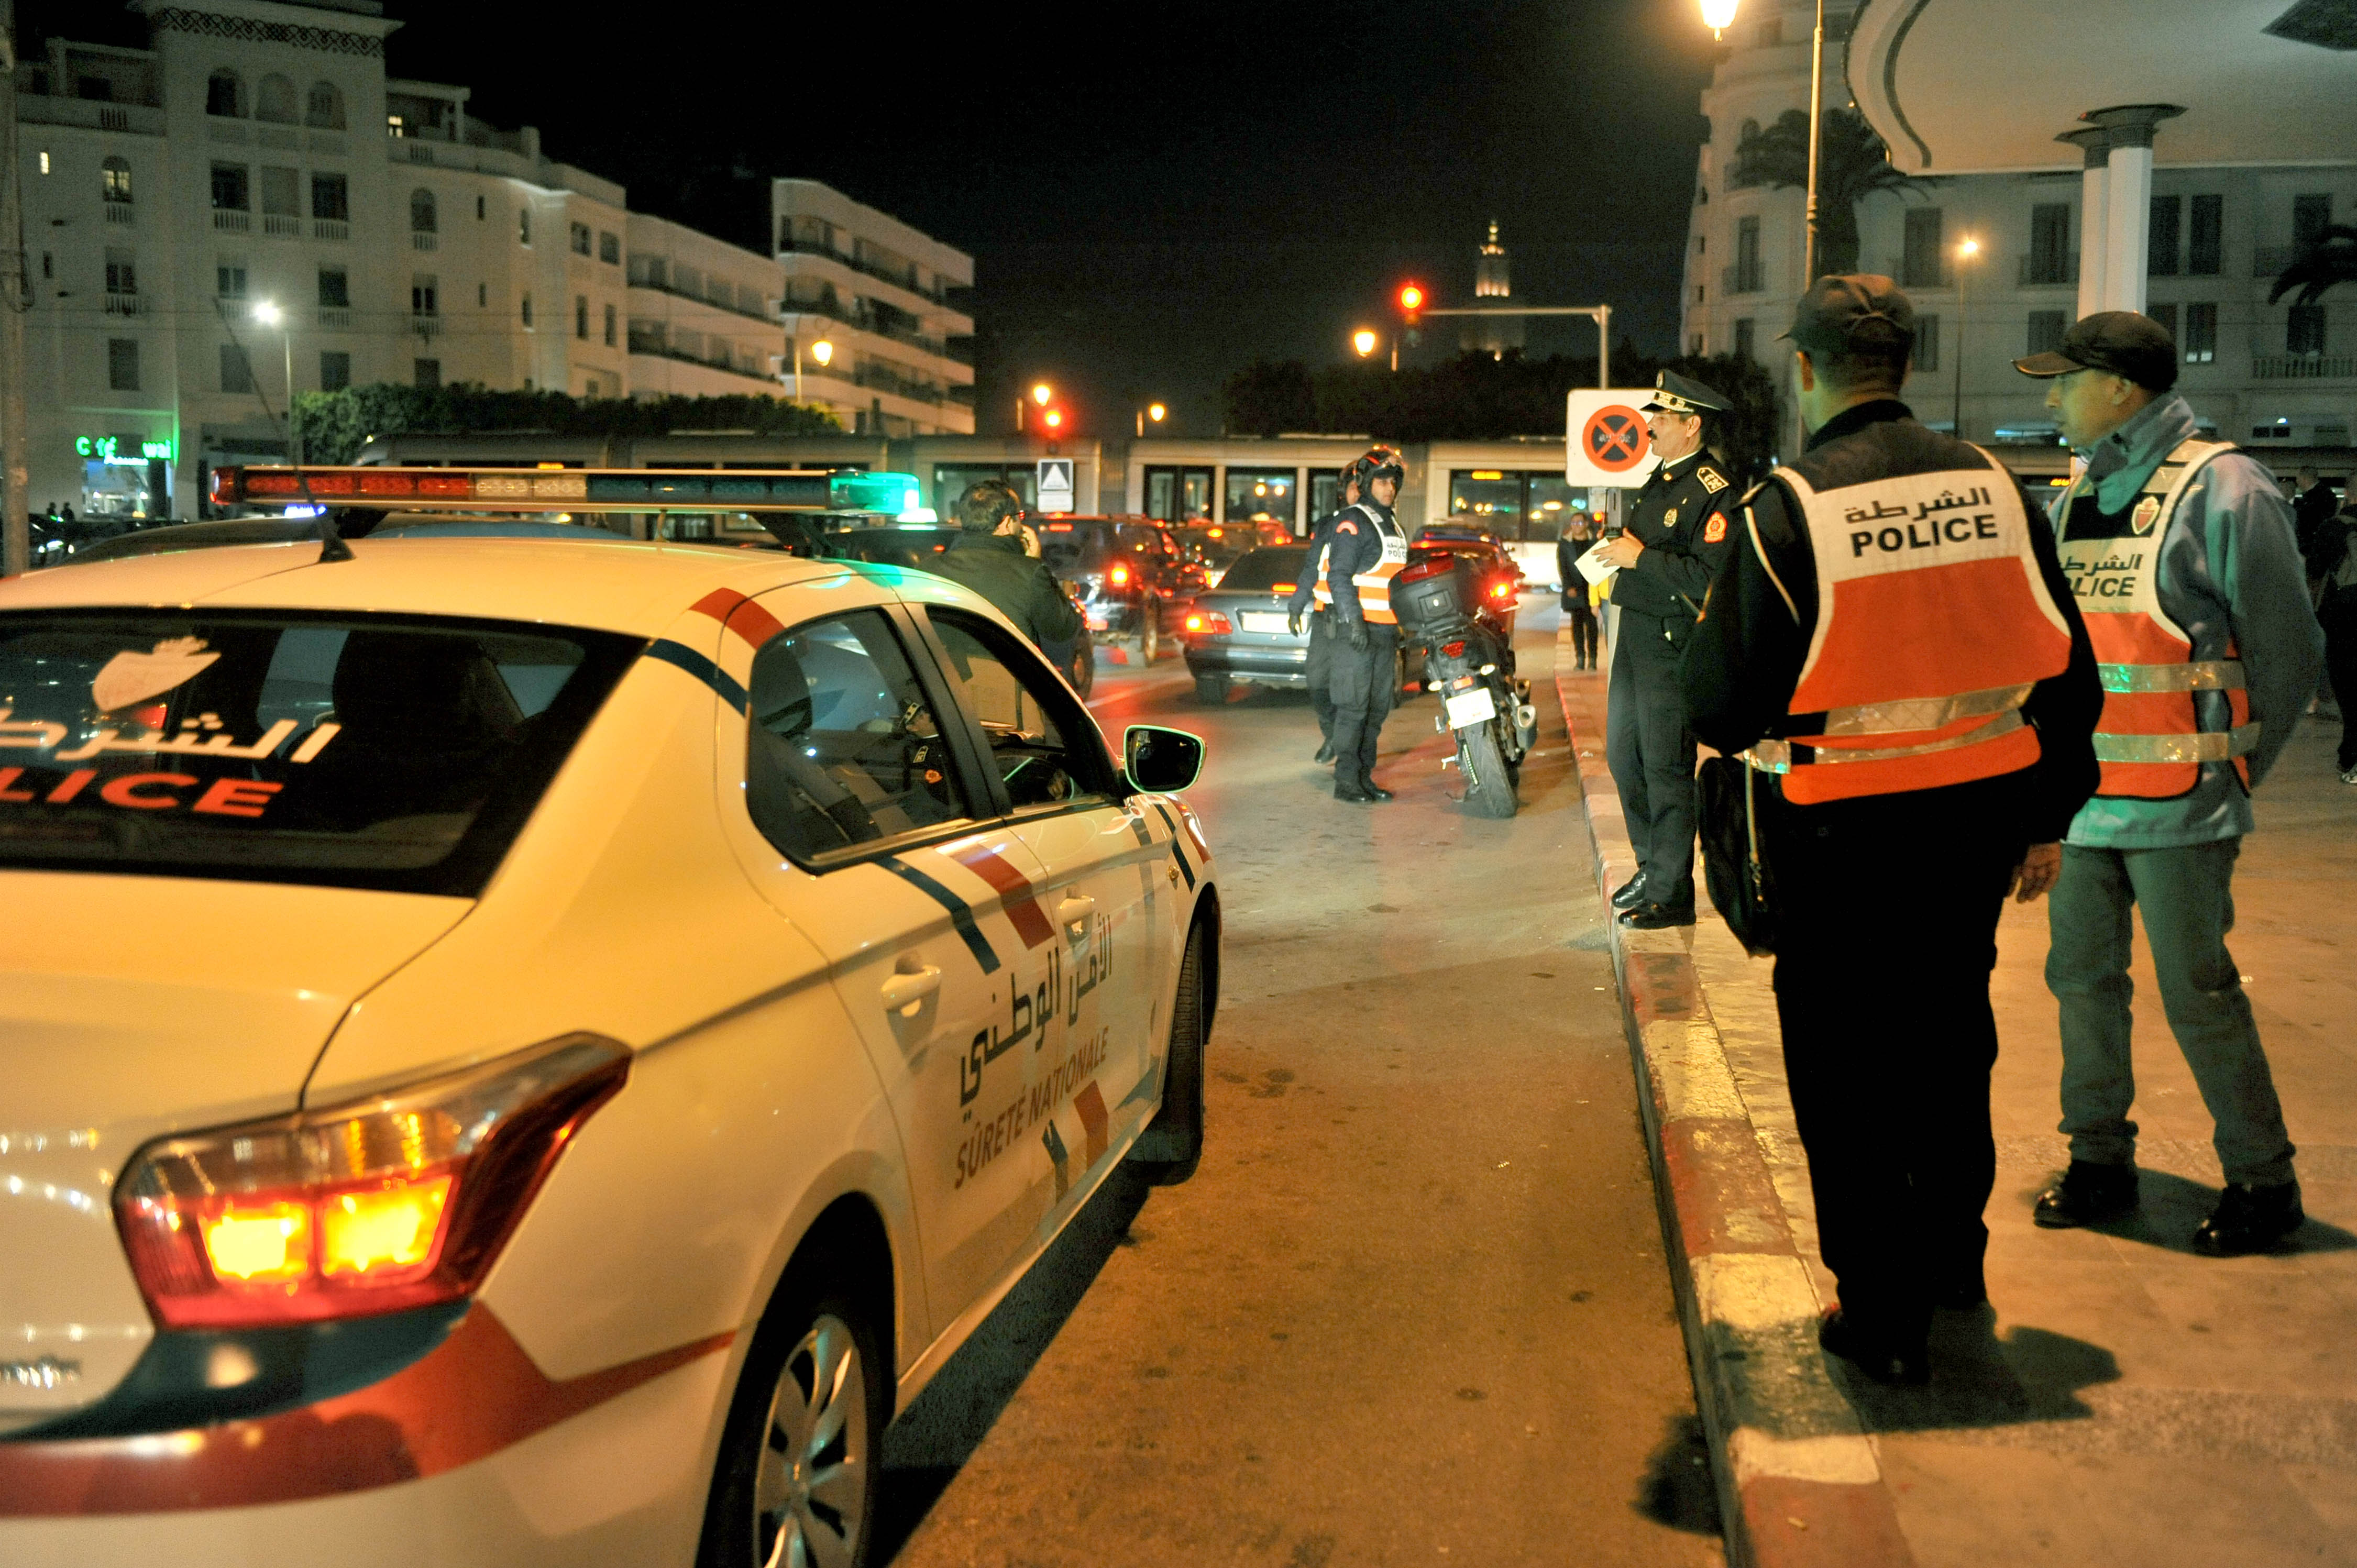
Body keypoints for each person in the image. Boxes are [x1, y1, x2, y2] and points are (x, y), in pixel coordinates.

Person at [1682, 274, 2103, 1384]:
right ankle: (1952, 1265)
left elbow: (1717, 704)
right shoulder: (1997, 489)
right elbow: (2071, 672)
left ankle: (1883, 1316)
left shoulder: (1794, 506)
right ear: (1904, 366)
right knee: (1950, 1042)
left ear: (1806, 368)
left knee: (1848, 1069)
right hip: (1974, 831)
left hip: (1837, 840)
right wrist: (2046, 815)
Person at [2014, 312, 2326, 1255]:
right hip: (2088, 806)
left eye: (2065, 380)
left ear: (2118, 386)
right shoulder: (2078, 496)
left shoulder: (2224, 484)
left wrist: (2235, 768)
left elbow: (2288, 647)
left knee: (2200, 991)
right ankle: (2099, 1156)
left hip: (2183, 809)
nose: (2050, 397)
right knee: (2080, 982)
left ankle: (2264, 1180)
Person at [1592, 371, 1743, 929]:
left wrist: (1640, 561)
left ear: (1692, 425)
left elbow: (1710, 580)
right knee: (1623, 757)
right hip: (1636, 639)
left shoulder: (1714, 489)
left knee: (1665, 765)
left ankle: (1672, 892)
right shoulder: (1660, 479)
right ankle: (1653, 866)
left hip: (1672, 646)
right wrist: (1616, 558)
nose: (1649, 424)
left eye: (1662, 417)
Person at [1304, 446, 1411, 803]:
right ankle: (1347, 782)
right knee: (1353, 709)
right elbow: (1338, 577)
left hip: (1385, 632)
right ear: (1366, 482)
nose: (1389, 488)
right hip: (1357, 632)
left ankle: (1365, 777)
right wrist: (1354, 622)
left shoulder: (1393, 524)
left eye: (1393, 482)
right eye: (1382, 480)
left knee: (1377, 711)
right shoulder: (1353, 520)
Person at [929, 480, 1083, 650]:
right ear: (1007, 523)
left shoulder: (927, 571)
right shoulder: (1029, 574)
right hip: (1008, 677)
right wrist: (1036, 564)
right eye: (1020, 517)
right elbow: (1063, 630)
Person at [1288, 467, 1363, 763]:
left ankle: (1347, 749)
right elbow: (1312, 568)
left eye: (1362, 487)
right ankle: (1331, 734)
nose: (1357, 493)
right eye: (1353, 487)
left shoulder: (1372, 525)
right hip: (1324, 617)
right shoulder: (1327, 525)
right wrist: (1296, 606)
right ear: (1342, 491)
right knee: (1317, 681)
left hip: (1357, 619)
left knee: (1348, 690)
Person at [2317, 504, 2357, 785]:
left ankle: (2351, 756)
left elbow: (2315, 566)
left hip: (2343, 617)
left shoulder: (2334, 526)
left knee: (2347, 688)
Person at [1556, 514, 1602, 671]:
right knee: (1577, 626)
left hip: (1590, 588)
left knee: (1592, 626)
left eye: (1580, 522)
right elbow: (1563, 567)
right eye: (1574, 523)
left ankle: (1593, 659)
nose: (1576, 526)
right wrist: (1569, 586)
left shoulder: (1594, 542)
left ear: (1586, 524)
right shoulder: (1565, 544)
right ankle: (1580, 659)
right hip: (1574, 590)